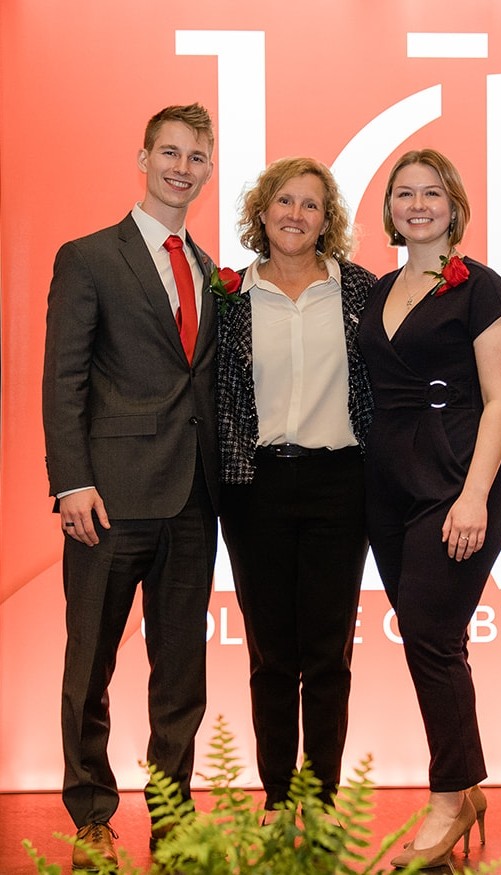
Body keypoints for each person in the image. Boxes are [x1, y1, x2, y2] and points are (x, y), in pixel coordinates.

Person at [41, 103, 219, 869]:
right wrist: (71, 481)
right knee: (92, 662)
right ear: (141, 157)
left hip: (193, 498)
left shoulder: (211, 268)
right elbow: (64, 378)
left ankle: (174, 815)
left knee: (182, 669)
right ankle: (91, 814)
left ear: (209, 169)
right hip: (107, 498)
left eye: (197, 156)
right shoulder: (88, 257)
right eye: (170, 152)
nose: (183, 167)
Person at [357, 149, 501, 869]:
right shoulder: (376, 288)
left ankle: (449, 799)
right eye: (404, 193)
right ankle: (466, 785)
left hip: (456, 485)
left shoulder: (482, 288)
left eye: (431, 193)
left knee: (430, 634)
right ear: (389, 207)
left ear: (453, 206)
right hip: (385, 489)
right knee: (432, 640)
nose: (417, 204)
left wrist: (475, 495)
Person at [217, 157, 375, 815]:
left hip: (342, 482)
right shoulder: (228, 296)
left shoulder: (360, 289)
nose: (296, 215)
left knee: (329, 652)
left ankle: (324, 799)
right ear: (262, 212)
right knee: (272, 653)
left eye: (311, 205)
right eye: (285, 200)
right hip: (256, 486)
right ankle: (280, 799)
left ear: (326, 220)